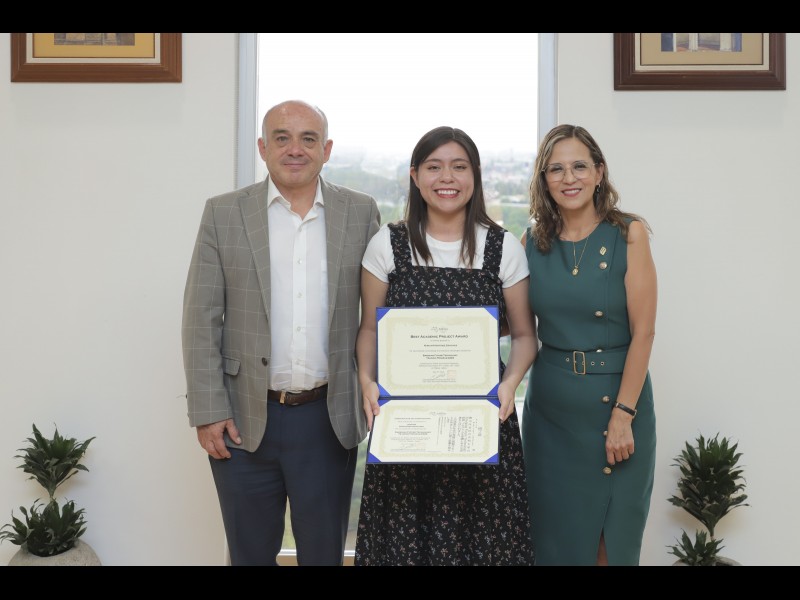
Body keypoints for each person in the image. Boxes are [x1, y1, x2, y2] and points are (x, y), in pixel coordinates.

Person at [181, 100, 380, 566]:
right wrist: (208, 411)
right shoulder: (224, 213)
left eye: (308, 139)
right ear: (262, 147)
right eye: (282, 138)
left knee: (324, 555)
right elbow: (200, 318)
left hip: (328, 419)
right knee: (249, 555)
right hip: (241, 420)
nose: (295, 149)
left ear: (326, 149)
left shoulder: (360, 211)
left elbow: (379, 313)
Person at [354, 126, 537, 566]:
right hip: (406, 428)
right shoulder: (388, 245)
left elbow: (525, 335)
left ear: (475, 175)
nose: (447, 178)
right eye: (434, 167)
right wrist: (366, 381)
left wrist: (510, 383)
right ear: (415, 176)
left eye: (459, 166)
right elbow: (369, 330)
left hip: (482, 422)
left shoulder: (502, 247)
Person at [521, 124, 657, 565]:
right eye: (556, 169)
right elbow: (514, 327)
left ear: (599, 172)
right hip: (550, 416)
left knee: (608, 546)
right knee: (553, 545)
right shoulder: (530, 242)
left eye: (579, 166)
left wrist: (624, 413)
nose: (569, 178)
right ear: (544, 180)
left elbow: (644, 332)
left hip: (615, 408)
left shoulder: (629, 234)